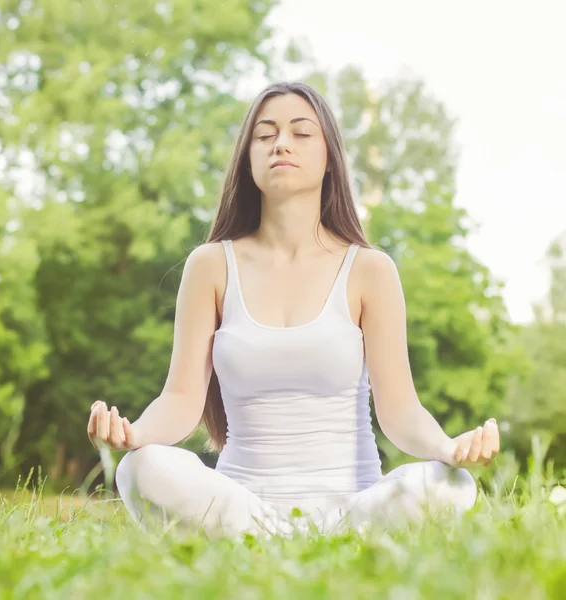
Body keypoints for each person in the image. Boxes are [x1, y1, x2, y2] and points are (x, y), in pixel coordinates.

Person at [86, 81, 500, 538]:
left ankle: (298, 542)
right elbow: (181, 401)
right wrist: (134, 435)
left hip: (352, 509)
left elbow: (399, 411)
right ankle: (282, 541)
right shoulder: (210, 266)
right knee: (138, 469)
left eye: (301, 133)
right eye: (265, 135)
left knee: (449, 485)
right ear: (248, 160)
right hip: (239, 506)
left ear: (329, 160)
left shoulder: (369, 269)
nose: (281, 142)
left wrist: (448, 447)